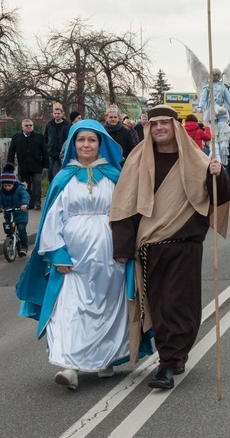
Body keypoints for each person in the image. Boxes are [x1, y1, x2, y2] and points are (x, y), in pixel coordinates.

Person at [15, 119, 153, 390]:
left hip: (110, 258)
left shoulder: (115, 176)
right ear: (73, 145)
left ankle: (106, 359)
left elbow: (127, 215)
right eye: (81, 140)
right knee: (70, 309)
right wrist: (58, 254)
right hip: (74, 261)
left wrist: (126, 248)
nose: (86, 144)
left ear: (100, 143)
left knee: (108, 309)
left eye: (92, 140)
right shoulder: (63, 179)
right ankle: (69, 366)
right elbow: (52, 220)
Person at [109, 104, 230, 390]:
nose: (160, 128)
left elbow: (217, 199)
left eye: (165, 123)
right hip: (149, 247)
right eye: (154, 124)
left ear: (175, 126)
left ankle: (168, 362)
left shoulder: (197, 161)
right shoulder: (138, 161)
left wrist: (218, 174)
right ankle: (172, 357)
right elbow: (124, 204)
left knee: (179, 305)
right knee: (159, 306)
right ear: (148, 129)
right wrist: (123, 247)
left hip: (185, 245)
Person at [7, 119, 48, 210]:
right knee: (25, 185)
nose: (29, 127)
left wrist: (45, 165)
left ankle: (37, 202)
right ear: (22, 127)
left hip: (36, 165)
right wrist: (10, 166)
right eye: (26, 125)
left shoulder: (39, 137)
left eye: (30, 125)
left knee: (37, 183)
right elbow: (11, 153)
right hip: (23, 166)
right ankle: (28, 202)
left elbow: (44, 152)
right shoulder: (16, 138)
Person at [199, 68, 230, 164]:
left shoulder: (222, 87)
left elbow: (228, 98)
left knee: (223, 133)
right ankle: (215, 155)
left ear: (218, 76)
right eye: (212, 75)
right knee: (214, 135)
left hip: (221, 111)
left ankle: (223, 155)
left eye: (216, 75)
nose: (214, 77)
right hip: (211, 112)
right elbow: (203, 97)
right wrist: (200, 106)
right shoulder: (207, 87)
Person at [0, 163, 30, 257]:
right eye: (5, 186)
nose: (7, 188)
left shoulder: (19, 188)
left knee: (21, 229)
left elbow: (25, 195)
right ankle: (11, 241)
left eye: (9, 185)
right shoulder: (2, 191)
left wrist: (24, 204)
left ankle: (24, 246)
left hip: (21, 213)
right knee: (9, 230)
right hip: (9, 214)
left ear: (13, 183)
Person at [45, 102, 69, 182]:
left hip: (62, 151)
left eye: (58, 113)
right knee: (50, 169)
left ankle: (63, 183)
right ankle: (52, 184)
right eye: (55, 113)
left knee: (64, 169)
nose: (56, 115)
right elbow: (45, 138)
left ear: (62, 114)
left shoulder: (67, 125)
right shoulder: (49, 125)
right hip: (51, 151)